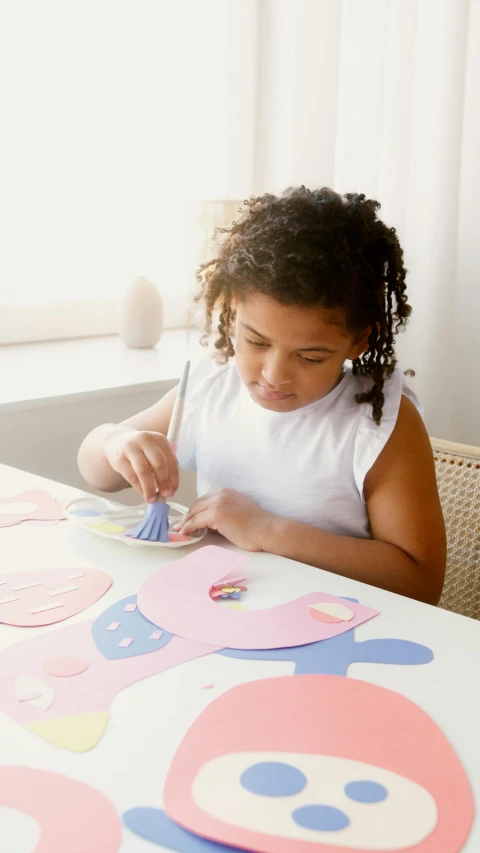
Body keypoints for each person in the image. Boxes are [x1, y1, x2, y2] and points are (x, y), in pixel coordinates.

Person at [78, 187, 446, 603]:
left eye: (309, 357)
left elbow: (420, 583)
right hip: (219, 613)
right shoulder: (211, 388)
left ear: (360, 340)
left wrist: (268, 531)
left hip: (334, 630)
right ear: (234, 309)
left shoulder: (376, 425)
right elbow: (95, 471)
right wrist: (117, 445)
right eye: (255, 342)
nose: (274, 376)